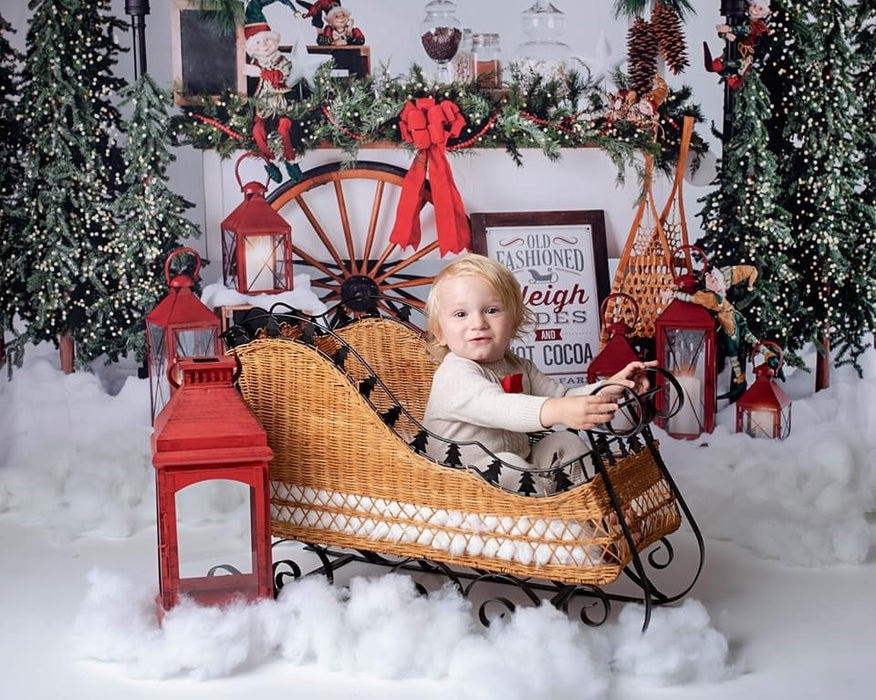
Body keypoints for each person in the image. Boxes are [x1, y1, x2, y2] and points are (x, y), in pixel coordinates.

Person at [423, 253, 654, 494]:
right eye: (461, 314)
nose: (478, 322)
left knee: (565, 442)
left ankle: (596, 507)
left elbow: (565, 396)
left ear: (514, 321)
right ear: (440, 333)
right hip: (460, 477)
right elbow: (499, 407)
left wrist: (611, 388)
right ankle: (559, 519)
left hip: (517, 461)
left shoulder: (520, 366)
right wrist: (557, 411)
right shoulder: (455, 374)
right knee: (508, 466)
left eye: (492, 310)